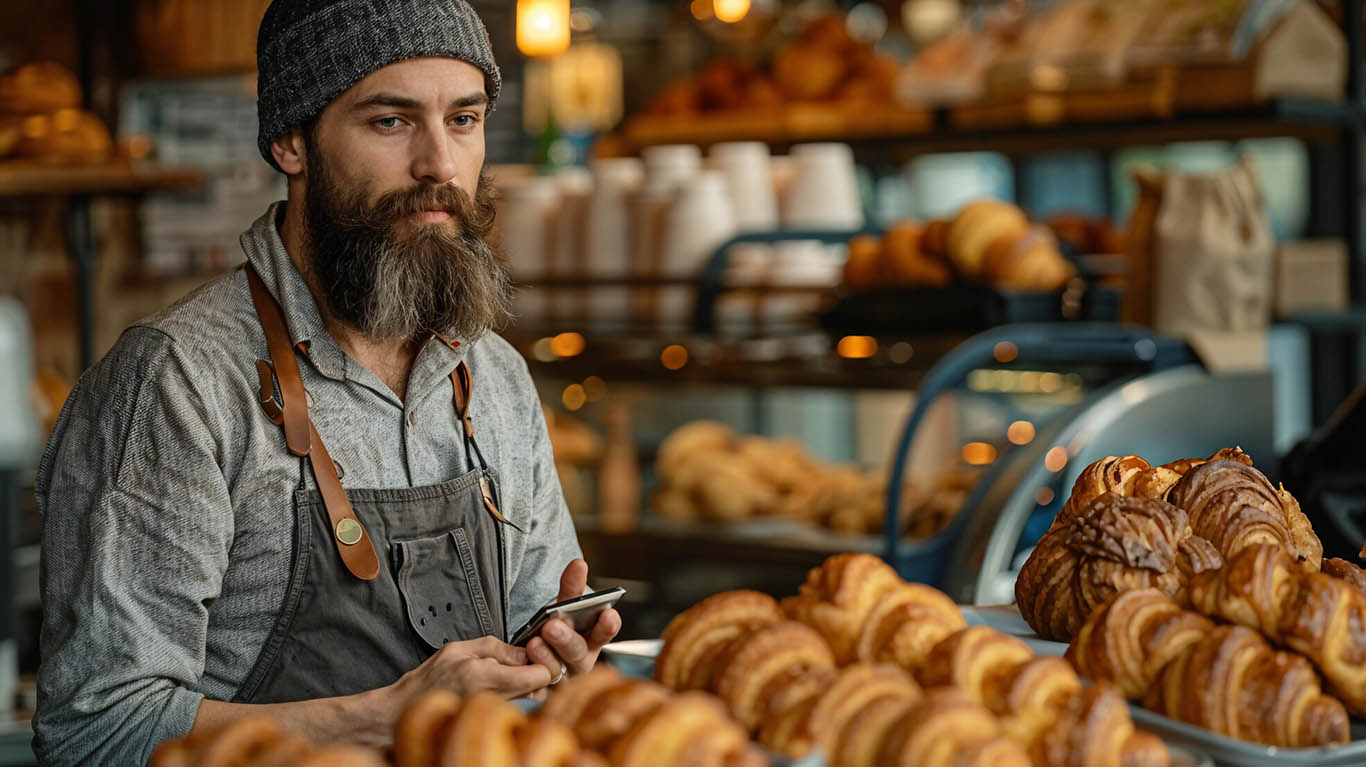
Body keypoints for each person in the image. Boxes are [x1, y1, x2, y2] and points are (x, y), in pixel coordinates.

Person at [32, 1, 620, 763]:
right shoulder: (178, 384)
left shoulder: (494, 375)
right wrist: (387, 716)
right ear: (290, 141)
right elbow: (95, 730)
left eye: (464, 120)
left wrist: (555, 667)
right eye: (391, 121)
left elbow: (525, 683)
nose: (440, 164)